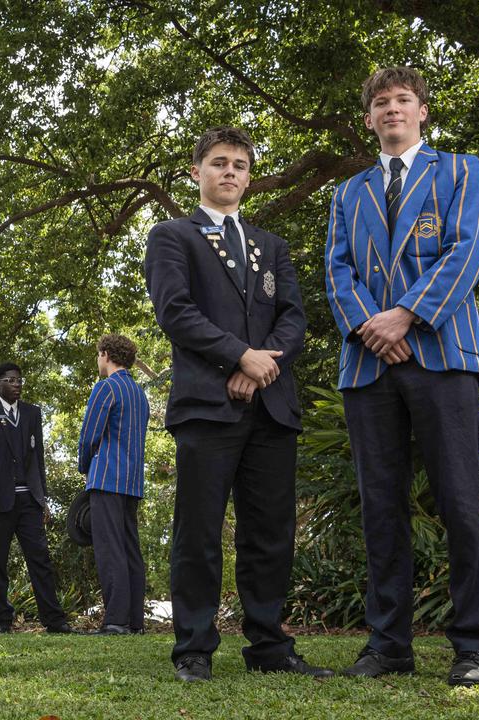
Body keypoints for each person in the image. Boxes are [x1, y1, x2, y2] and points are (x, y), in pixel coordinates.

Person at [325, 67, 479, 686]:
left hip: (444, 353)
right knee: (380, 508)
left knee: (460, 502)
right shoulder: (348, 194)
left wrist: (407, 316)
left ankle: (476, 646)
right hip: (368, 362)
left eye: (403, 100)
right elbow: (337, 270)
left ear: (423, 111)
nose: (392, 109)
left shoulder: (461, 170)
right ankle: (388, 645)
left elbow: (467, 247)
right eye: (380, 103)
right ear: (369, 118)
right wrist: (373, 327)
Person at [144, 126, 331, 681]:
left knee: (271, 532)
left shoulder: (270, 245)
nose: (230, 172)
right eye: (220, 163)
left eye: (241, 165)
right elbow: (175, 312)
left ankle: (269, 647)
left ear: (249, 177)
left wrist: (262, 365)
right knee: (198, 532)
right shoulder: (172, 236)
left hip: (271, 406)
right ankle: (194, 649)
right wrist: (238, 358)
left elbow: (294, 317)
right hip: (207, 406)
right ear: (197, 172)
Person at [0, 362, 72, 634]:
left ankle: (54, 619)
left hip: (29, 501)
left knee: (40, 559)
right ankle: (2, 619)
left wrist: (43, 498)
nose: (17, 385)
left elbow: (38, 460)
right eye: (11, 381)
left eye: (19, 381)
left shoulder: (32, 413)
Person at [77, 335, 149, 636]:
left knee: (109, 550)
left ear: (106, 354)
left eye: (98, 355)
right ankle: (134, 622)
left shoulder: (106, 387)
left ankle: (116, 621)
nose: (98, 360)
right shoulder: (139, 393)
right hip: (131, 481)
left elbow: (90, 435)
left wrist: (84, 467)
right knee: (130, 549)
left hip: (106, 478)